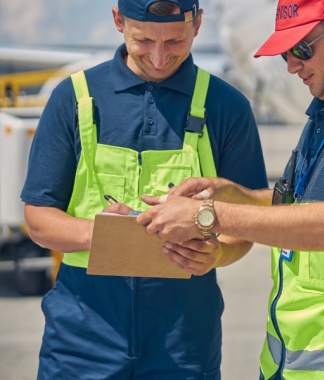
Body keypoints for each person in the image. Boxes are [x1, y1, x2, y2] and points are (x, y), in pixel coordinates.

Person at [137, 0, 324, 378]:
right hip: (302, 360)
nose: (292, 66)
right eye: (285, 53)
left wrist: (206, 215)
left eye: (302, 49)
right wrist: (230, 194)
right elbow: (297, 204)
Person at [21, 0, 268, 378]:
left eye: (174, 42)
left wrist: (217, 255)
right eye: (144, 40)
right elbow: (38, 220)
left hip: (183, 339)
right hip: (82, 336)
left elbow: (247, 223)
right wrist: (102, 233)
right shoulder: (73, 98)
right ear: (119, 21)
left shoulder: (227, 106)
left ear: (198, 24)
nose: (158, 56)